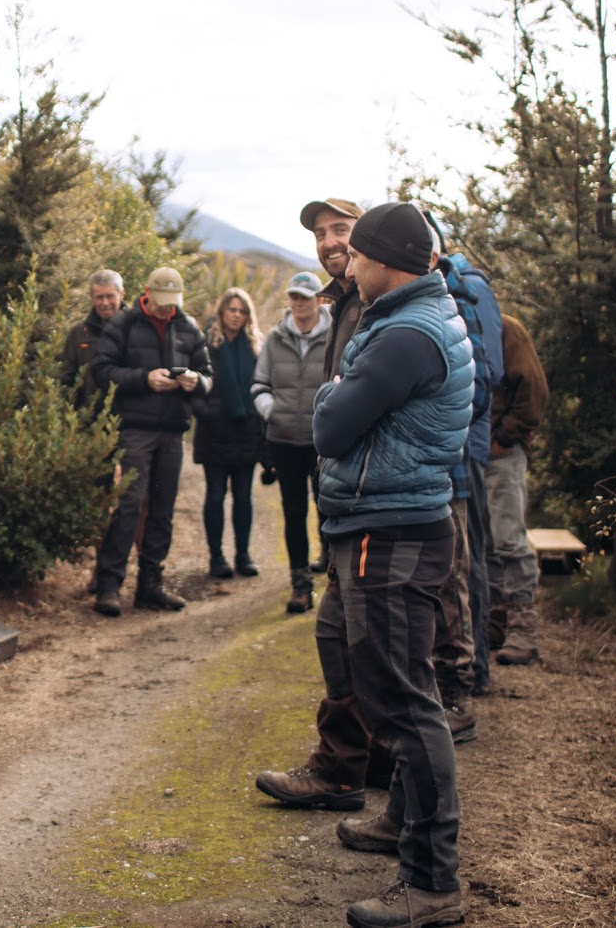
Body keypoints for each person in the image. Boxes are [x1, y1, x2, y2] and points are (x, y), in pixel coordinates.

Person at [312, 202, 473, 928]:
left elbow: (331, 425)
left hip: (393, 529)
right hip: (397, 521)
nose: (348, 261)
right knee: (405, 689)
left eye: (358, 253)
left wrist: (327, 397)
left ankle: (432, 883)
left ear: (382, 260)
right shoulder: (414, 315)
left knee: (404, 708)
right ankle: (401, 825)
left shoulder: (406, 334)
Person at [256, 196, 398, 813]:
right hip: (350, 488)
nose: (328, 241)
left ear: (365, 239)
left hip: (376, 493)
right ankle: (366, 760)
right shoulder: (345, 304)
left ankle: (347, 767)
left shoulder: (381, 306)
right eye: (320, 233)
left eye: (340, 230)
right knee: (349, 633)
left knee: (360, 637)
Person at [420, 210, 504, 739]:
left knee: (460, 565)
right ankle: (461, 678)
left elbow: (480, 381)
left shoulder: (463, 297)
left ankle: (467, 682)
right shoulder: (445, 295)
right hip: (447, 453)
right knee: (453, 564)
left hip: (455, 455)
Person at [88, 266, 213, 616]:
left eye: (172, 302)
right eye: (161, 301)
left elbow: (208, 375)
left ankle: (150, 586)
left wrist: (195, 381)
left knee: (162, 509)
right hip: (135, 429)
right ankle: (109, 586)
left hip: (173, 429)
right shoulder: (123, 324)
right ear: (146, 292)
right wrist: (145, 379)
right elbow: (102, 370)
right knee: (129, 505)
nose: (165, 309)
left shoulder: (188, 328)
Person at [252, 270, 333, 613]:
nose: (299, 303)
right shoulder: (274, 338)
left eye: (305, 297)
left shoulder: (334, 335)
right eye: (294, 297)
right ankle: (300, 585)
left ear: (320, 300)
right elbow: (258, 384)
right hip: (284, 439)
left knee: (328, 508)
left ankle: (333, 574)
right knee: (293, 512)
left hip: (324, 442)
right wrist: (273, 411)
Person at [487, 312, 550, 666]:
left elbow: (534, 389)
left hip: (502, 453)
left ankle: (523, 628)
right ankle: (496, 623)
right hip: (472, 453)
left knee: (509, 539)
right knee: (483, 543)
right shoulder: (451, 319)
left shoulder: (506, 328)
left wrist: (505, 436)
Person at [194, 287, 265, 580]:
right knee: (214, 495)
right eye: (231, 310)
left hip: (247, 431)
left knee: (244, 497)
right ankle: (216, 556)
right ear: (221, 311)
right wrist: (208, 414)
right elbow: (196, 385)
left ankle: (243, 554)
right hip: (214, 432)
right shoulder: (206, 344)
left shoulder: (255, 346)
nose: (236, 315)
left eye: (242, 311)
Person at [61, 269, 127, 410]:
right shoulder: (78, 334)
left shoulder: (136, 328)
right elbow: (66, 377)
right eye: (99, 297)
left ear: (121, 294)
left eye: (110, 296)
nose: (105, 303)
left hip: (129, 421)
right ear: (91, 297)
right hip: (88, 419)